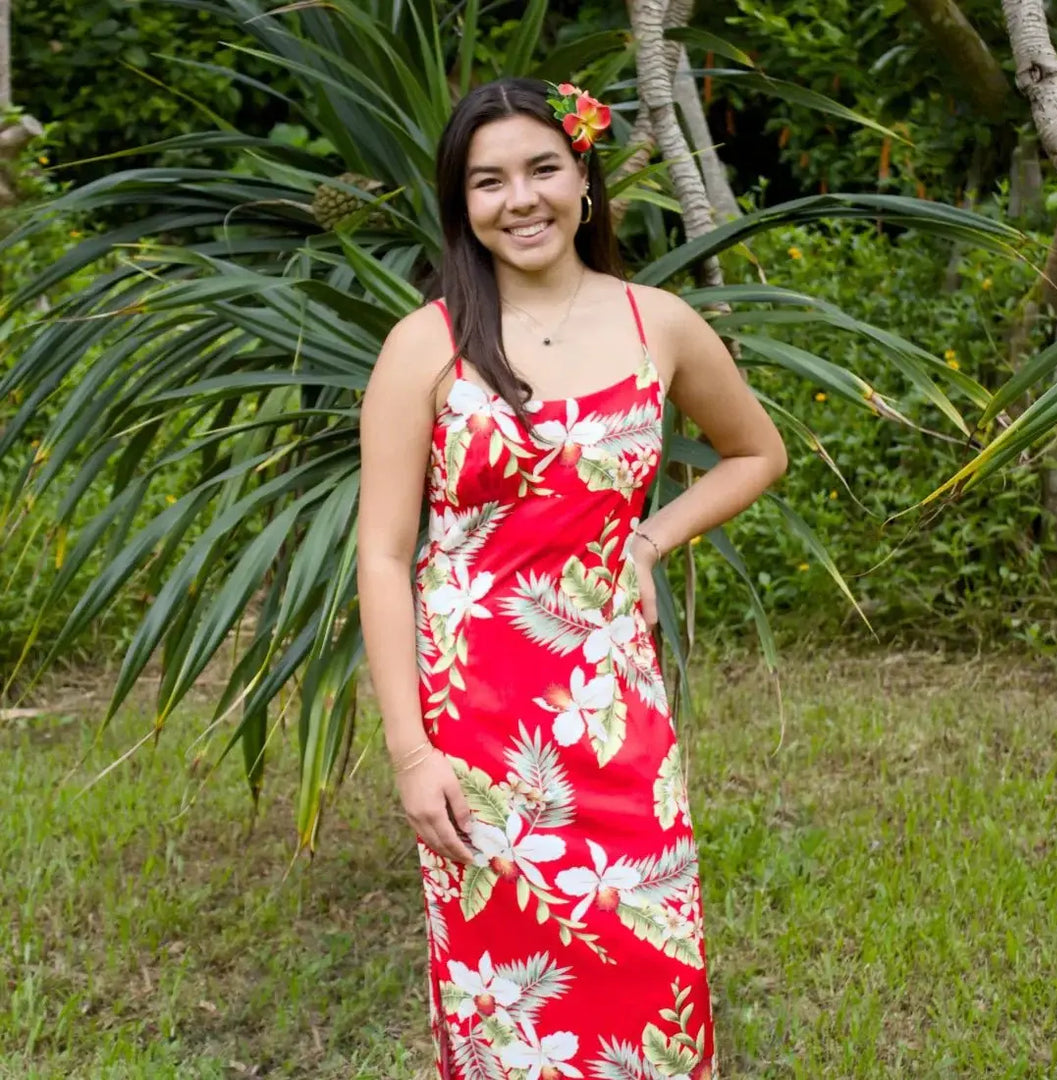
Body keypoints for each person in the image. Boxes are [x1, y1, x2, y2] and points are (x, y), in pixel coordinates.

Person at [357, 76, 787, 1080]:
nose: (522, 199)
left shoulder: (658, 323)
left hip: (616, 723)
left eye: (543, 168)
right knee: (505, 1007)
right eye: (488, 180)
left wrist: (646, 540)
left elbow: (754, 453)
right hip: (476, 742)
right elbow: (382, 554)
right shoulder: (424, 345)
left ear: (583, 177)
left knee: (651, 977)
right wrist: (411, 754)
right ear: (461, 205)